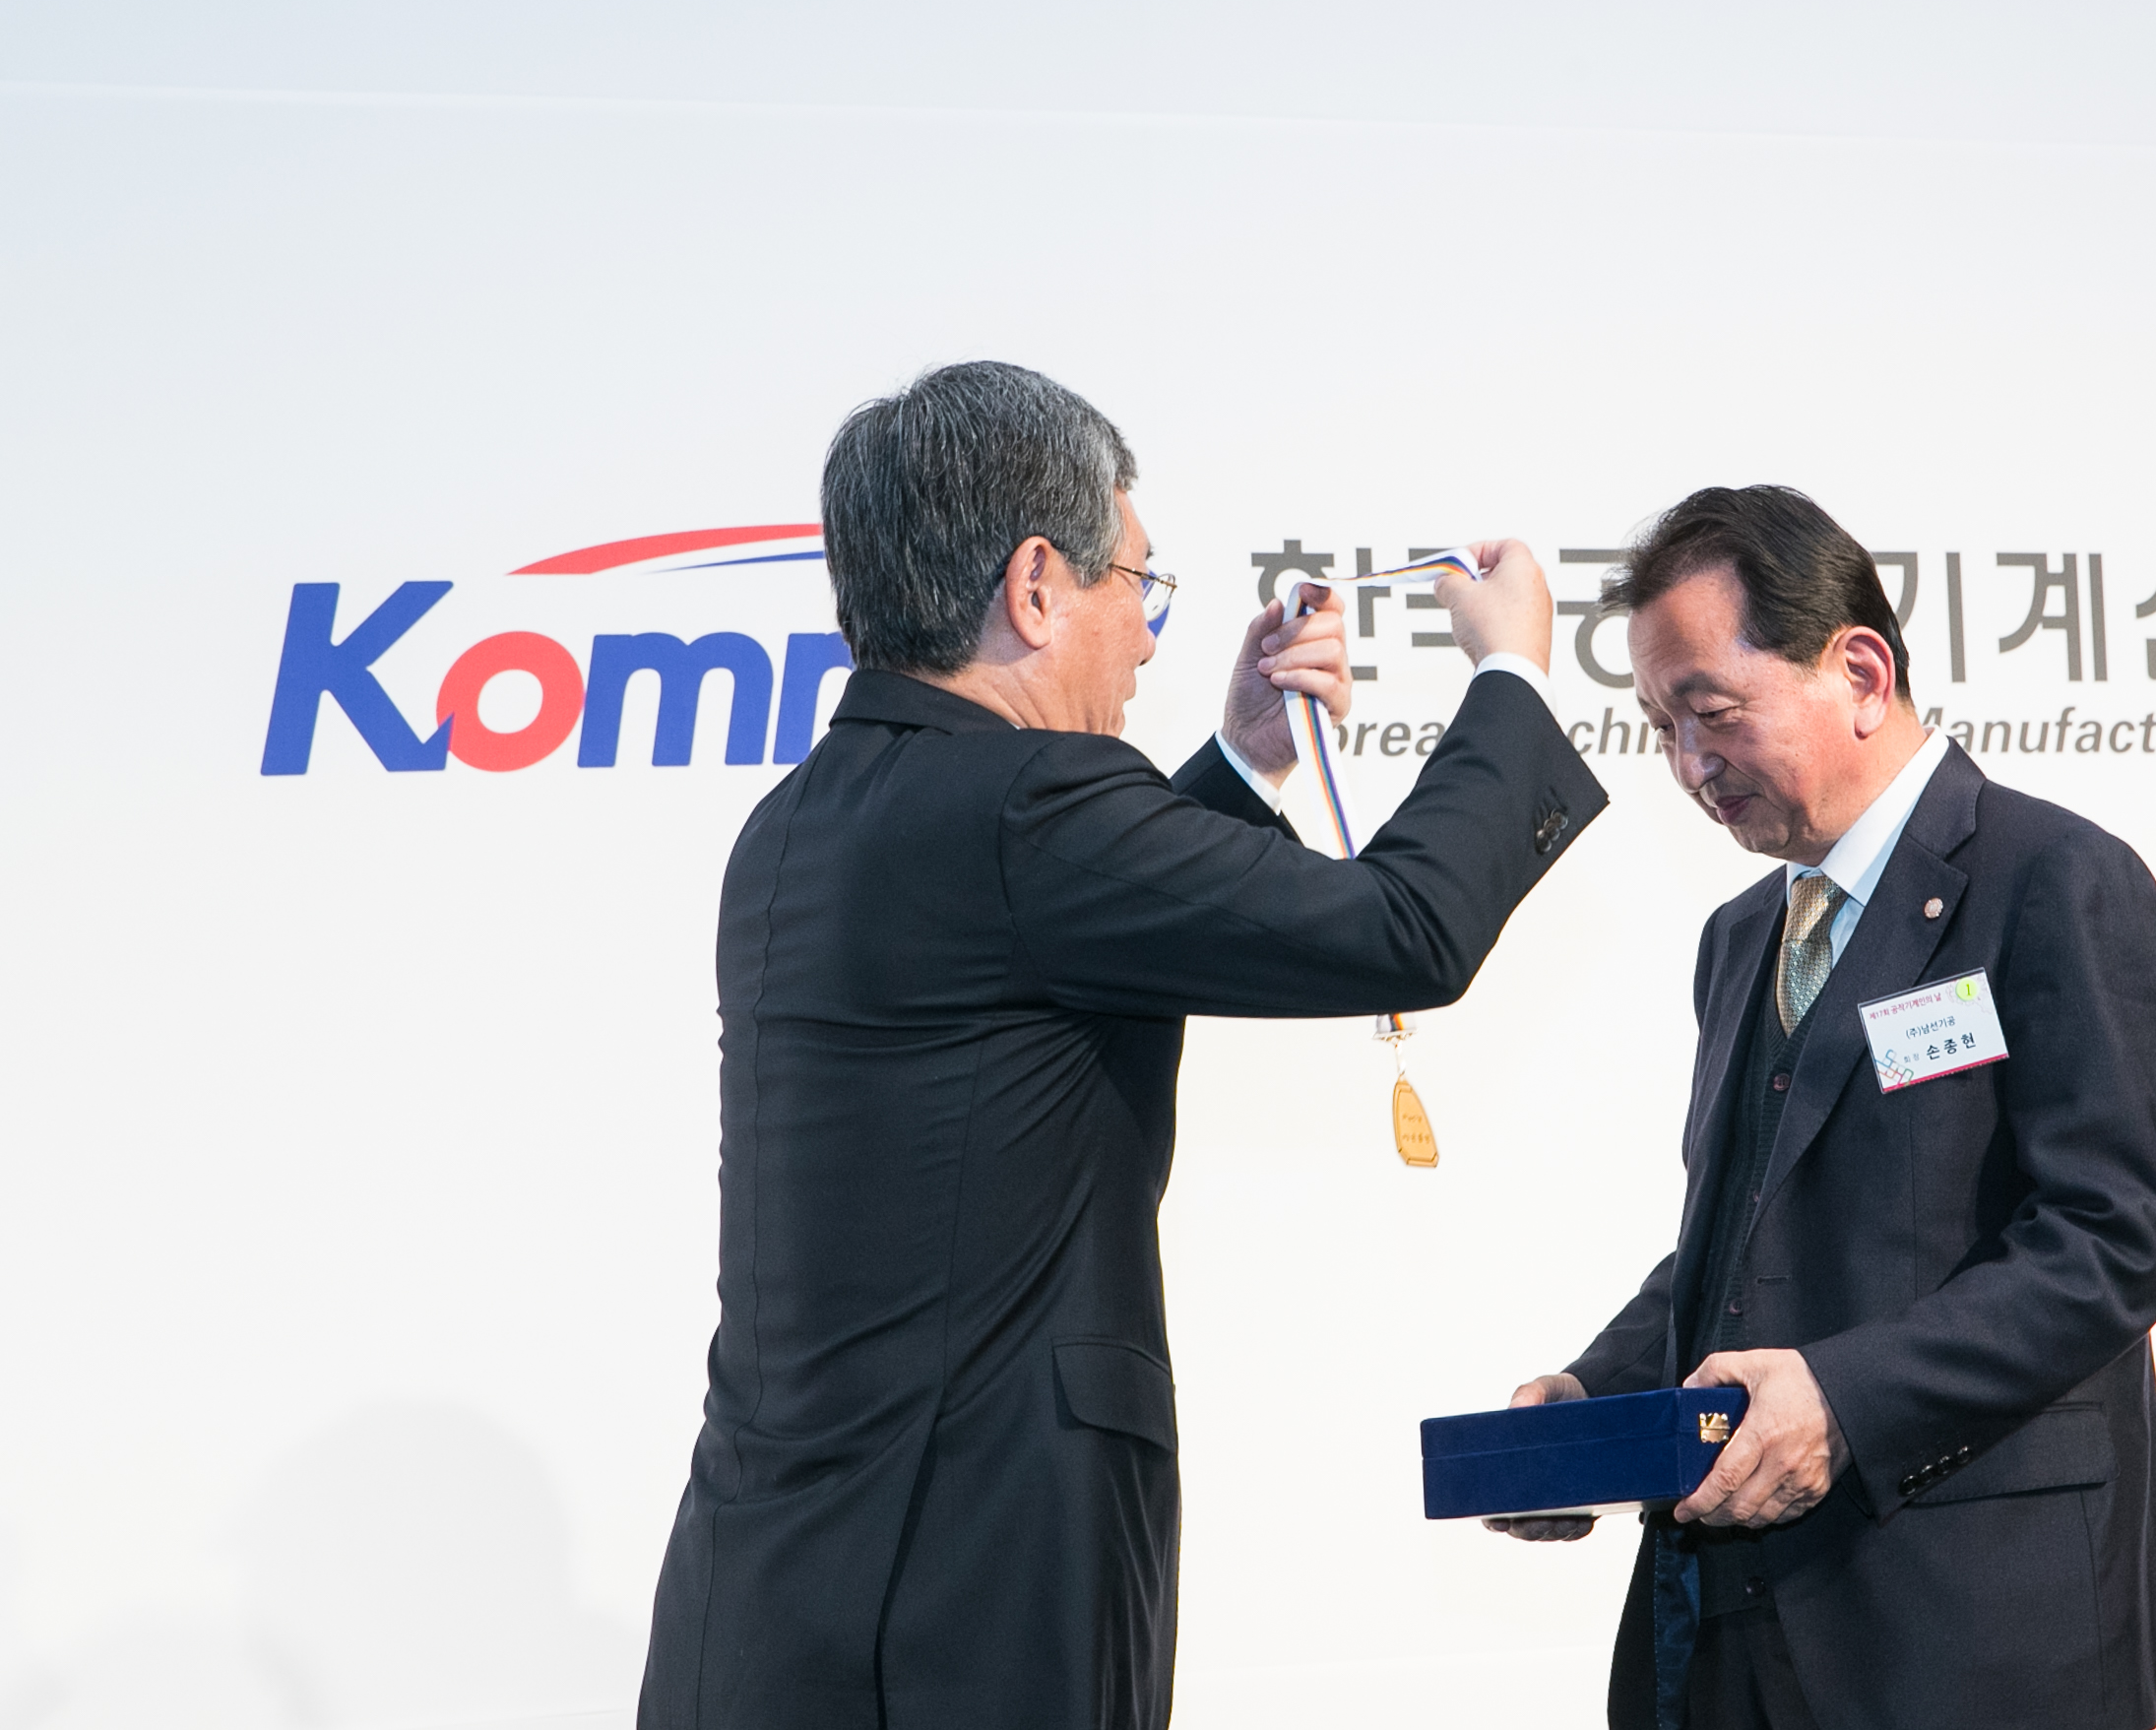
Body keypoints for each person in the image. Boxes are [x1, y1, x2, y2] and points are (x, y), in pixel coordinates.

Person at [637, 362, 1606, 1730]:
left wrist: (1244, 760)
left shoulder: (806, 817)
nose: (1147, 643)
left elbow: (1058, 929)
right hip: (958, 1611)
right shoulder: (1025, 808)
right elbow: (1406, 930)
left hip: (772, 1600)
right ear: (1037, 586)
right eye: (1139, 588)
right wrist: (1510, 677)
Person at [1495, 485, 2156, 1730]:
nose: (1689, 765)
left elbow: (2107, 1246)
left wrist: (1842, 1397)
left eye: (1712, 713)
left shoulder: (2054, 879)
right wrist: (1595, 1404)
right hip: (1740, 1632)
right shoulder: (1741, 939)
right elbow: (1738, 1243)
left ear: (1861, 674)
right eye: (1661, 727)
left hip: (1979, 1629)